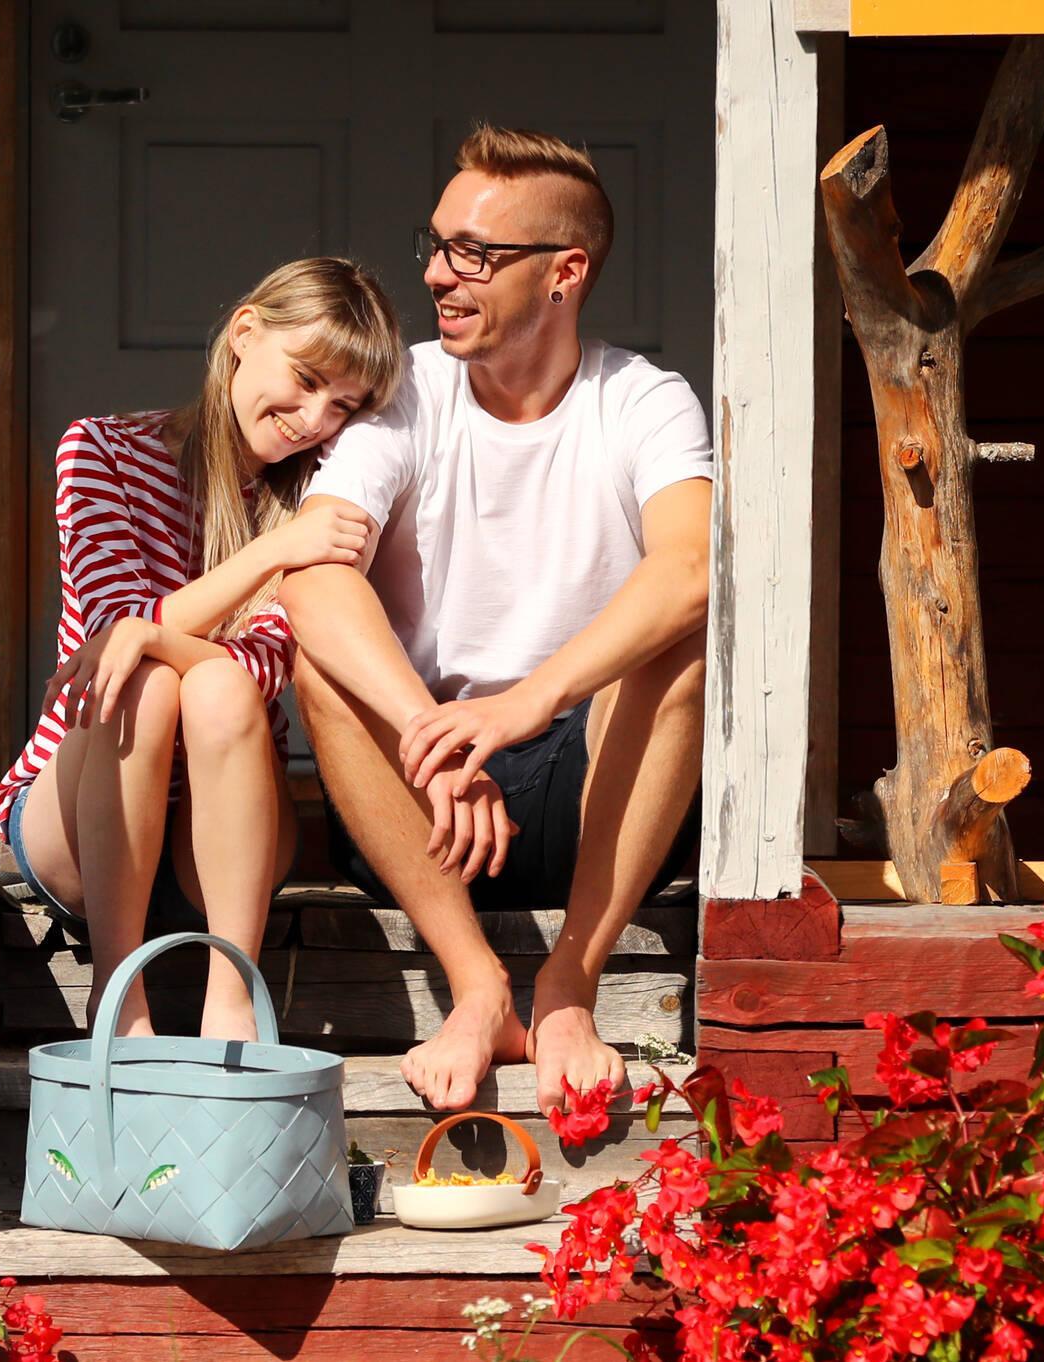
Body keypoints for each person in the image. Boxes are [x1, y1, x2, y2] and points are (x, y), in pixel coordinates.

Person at [281, 126, 712, 1111]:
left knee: (682, 648)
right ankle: (476, 982)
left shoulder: (641, 400)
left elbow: (690, 567)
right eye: (435, 245)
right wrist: (429, 738)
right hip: (422, 807)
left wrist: (522, 706)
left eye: (472, 253)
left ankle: (568, 980)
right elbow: (310, 573)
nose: (437, 274)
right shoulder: (405, 393)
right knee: (324, 666)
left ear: (564, 272)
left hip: (592, 788)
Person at [0, 257, 406, 1043]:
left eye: (344, 405)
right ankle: (119, 998)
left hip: (219, 845)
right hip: (78, 823)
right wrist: (269, 553)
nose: (315, 417)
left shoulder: (320, 500)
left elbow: (262, 669)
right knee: (144, 685)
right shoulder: (99, 452)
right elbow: (113, 639)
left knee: (216, 690)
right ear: (245, 333)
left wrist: (156, 631)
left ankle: (231, 1003)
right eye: (307, 376)